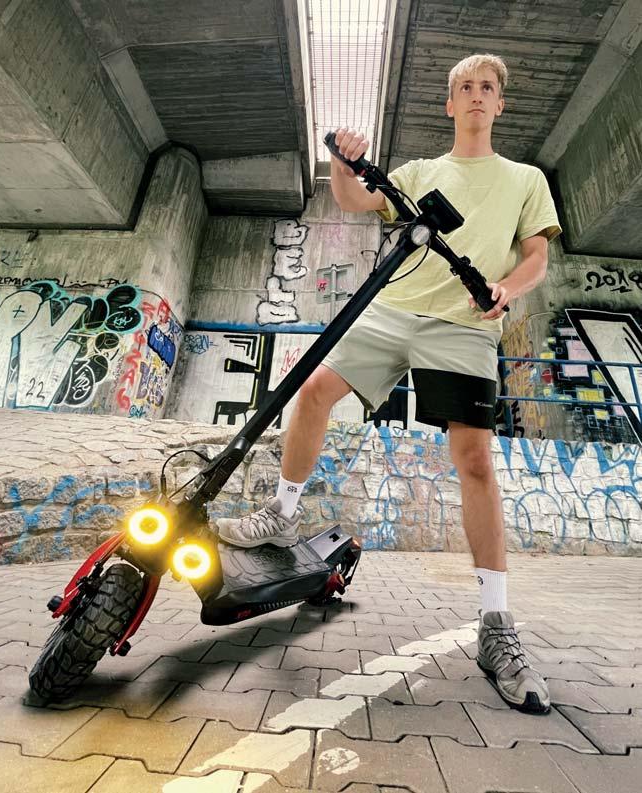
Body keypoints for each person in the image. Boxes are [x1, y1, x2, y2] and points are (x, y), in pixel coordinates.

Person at [218, 53, 561, 714]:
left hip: (464, 323)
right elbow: (356, 199)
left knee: (474, 459)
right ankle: (281, 516)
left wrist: (506, 288)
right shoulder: (420, 171)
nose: (476, 95)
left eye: (487, 88)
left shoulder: (525, 179)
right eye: (465, 87)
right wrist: (343, 162)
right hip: (391, 310)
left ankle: (496, 626)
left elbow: (537, 256)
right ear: (450, 104)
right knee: (313, 390)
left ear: (499, 104)